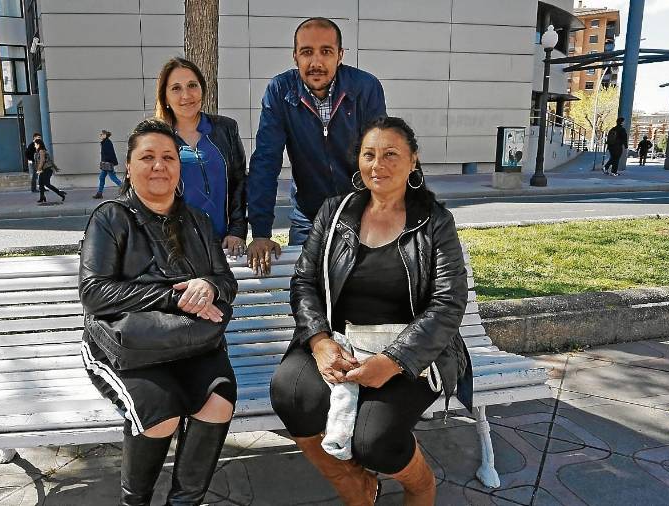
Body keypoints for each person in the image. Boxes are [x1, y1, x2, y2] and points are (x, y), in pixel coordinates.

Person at [270, 116, 473, 506]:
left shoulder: (435, 223)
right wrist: (319, 342)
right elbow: (304, 283)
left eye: (391, 154)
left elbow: (448, 303)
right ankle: (356, 488)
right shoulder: (335, 213)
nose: (378, 165)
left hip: (411, 349)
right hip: (339, 341)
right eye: (369, 154)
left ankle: (420, 486)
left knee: (374, 441)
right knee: (290, 393)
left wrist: (394, 361)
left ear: (413, 161)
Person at [79, 118, 238, 505]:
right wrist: (173, 296)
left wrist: (209, 286)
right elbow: (94, 292)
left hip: (191, 343)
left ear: (179, 167)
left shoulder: (198, 222)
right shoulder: (111, 217)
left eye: (168, 156)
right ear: (129, 167)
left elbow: (225, 281)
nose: (159, 165)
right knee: (161, 415)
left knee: (218, 403)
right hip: (127, 348)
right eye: (147, 157)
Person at [246, 17, 386, 275]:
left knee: (362, 291)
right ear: (295, 56)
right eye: (307, 52)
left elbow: (380, 159)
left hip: (361, 212)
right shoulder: (280, 91)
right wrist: (261, 232)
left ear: (340, 55)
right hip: (308, 216)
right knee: (304, 286)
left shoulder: (365, 88)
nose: (316, 62)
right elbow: (266, 161)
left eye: (326, 52)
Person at [154, 57, 248, 257]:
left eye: (192, 85)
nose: (186, 95)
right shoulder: (156, 138)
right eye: (176, 88)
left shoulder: (226, 129)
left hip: (223, 246)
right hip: (177, 250)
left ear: (202, 89)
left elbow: (239, 184)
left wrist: (237, 231)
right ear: (165, 97)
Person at [33, 139, 66, 204]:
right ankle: (42, 197)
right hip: (44, 170)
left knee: (46, 184)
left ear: (38, 144)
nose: (34, 146)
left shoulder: (42, 151)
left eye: (35, 144)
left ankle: (60, 193)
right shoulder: (39, 152)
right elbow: (48, 161)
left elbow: (42, 161)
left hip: (47, 170)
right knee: (41, 184)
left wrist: (39, 169)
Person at [93, 129, 122, 199]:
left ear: (105, 135)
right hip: (105, 164)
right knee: (102, 177)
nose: (100, 135)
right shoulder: (104, 142)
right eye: (100, 134)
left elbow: (111, 154)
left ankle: (125, 190)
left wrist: (111, 163)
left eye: (101, 134)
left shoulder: (107, 142)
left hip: (108, 164)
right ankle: (99, 193)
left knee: (113, 178)